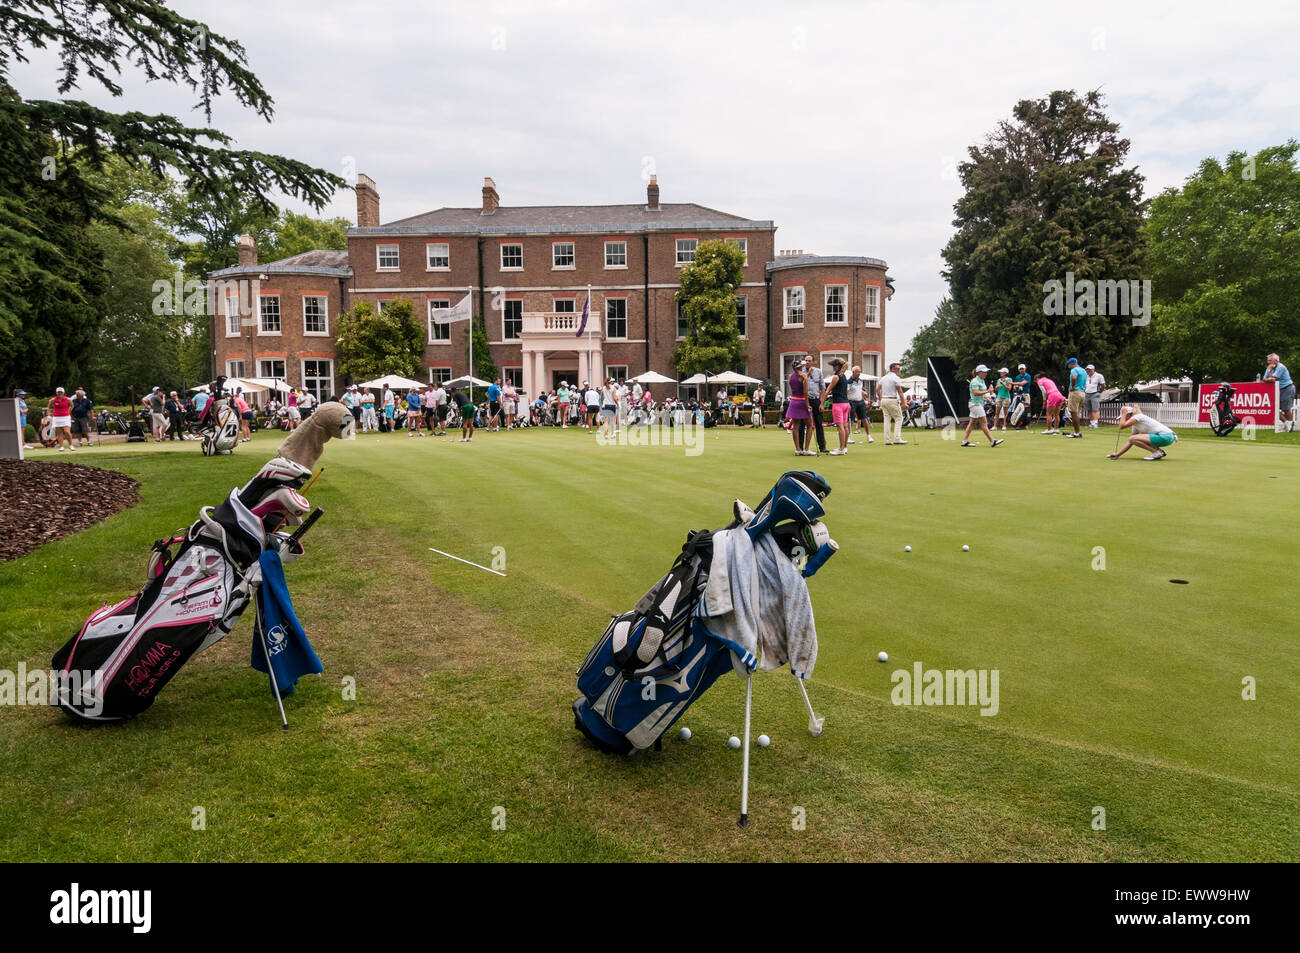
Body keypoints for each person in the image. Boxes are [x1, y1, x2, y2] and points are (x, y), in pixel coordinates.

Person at [1109, 404, 1177, 461]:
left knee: (1132, 438)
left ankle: (1156, 452)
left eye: (1124, 417)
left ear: (1129, 414)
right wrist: (1118, 454)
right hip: (1166, 437)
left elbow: (1121, 426)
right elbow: (1131, 441)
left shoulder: (1138, 417)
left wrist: (1124, 413)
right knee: (1133, 439)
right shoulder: (1135, 424)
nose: (1123, 419)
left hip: (1165, 436)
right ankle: (1159, 452)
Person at [961, 365, 1004, 447]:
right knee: (984, 423)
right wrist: (987, 391)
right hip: (975, 404)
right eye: (984, 372)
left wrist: (987, 396)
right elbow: (975, 393)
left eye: (986, 372)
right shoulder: (975, 382)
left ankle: (964, 441)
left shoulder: (982, 381)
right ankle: (992, 441)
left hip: (978, 403)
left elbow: (980, 393)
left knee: (972, 423)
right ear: (979, 372)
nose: (986, 373)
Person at [785, 357, 813, 456]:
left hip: (793, 402)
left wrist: (807, 375)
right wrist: (807, 405)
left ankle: (797, 449)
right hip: (802, 402)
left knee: (795, 427)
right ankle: (806, 449)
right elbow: (805, 392)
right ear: (801, 366)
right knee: (809, 426)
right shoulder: (804, 376)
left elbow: (797, 383)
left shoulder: (790, 376)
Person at [824, 358, 852, 455]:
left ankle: (841, 449)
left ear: (837, 366)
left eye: (833, 365)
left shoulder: (836, 377)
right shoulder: (844, 376)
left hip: (838, 404)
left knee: (840, 427)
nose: (832, 367)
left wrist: (821, 403)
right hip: (846, 403)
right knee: (845, 426)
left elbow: (827, 390)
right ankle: (844, 448)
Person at [804, 353, 828, 454]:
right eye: (806, 361)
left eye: (809, 361)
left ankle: (822, 446)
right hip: (804, 400)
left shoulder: (818, 372)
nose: (807, 362)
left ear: (813, 362)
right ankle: (801, 447)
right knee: (802, 424)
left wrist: (822, 403)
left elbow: (823, 388)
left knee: (819, 423)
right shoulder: (801, 372)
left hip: (816, 400)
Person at [878, 361, 906, 445]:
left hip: (884, 400)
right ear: (893, 369)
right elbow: (900, 391)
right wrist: (904, 403)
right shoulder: (896, 378)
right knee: (899, 418)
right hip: (892, 400)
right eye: (898, 369)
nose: (899, 370)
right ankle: (897, 438)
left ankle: (887, 440)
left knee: (887, 419)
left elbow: (877, 389)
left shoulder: (883, 378)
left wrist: (880, 398)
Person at [1264, 353, 1293, 432]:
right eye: (1268, 360)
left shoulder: (1281, 367)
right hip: (1277, 389)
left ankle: (1290, 426)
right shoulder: (1269, 367)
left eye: (1270, 360)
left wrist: (1269, 374)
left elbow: (1272, 379)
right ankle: (1287, 423)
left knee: (1286, 409)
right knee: (1274, 408)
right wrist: (1269, 377)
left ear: (1276, 361)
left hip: (1286, 388)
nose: (1268, 362)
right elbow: (1265, 379)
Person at [1064, 357, 1086, 438]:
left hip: (1075, 392)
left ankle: (1077, 433)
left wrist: (1073, 386)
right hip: (1082, 393)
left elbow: (1074, 377)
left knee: (1073, 413)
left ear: (1072, 363)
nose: (1069, 367)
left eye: (1069, 365)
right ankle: (1077, 432)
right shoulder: (1083, 370)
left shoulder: (1074, 370)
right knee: (1077, 413)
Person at [48, 386, 73, 451]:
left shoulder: (68, 399)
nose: (60, 393)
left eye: (61, 392)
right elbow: (49, 408)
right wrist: (48, 416)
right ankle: (61, 446)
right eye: (58, 392)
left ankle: (70, 445)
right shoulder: (53, 400)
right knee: (59, 433)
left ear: (63, 393)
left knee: (67, 431)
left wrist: (68, 412)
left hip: (66, 417)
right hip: (56, 417)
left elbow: (71, 405)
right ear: (56, 393)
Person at [1084, 364, 1106, 429]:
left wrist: (1099, 392)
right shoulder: (1086, 376)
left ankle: (1095, 423)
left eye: (1090, 369)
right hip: (1087, 393)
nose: (1088, 371)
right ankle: (1091, 423)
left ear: (1093, 370)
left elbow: (1103, 385)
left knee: (1095, 409)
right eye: (1087, 369)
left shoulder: (1099, 376)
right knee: (1089, 409)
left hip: (1095, 393)